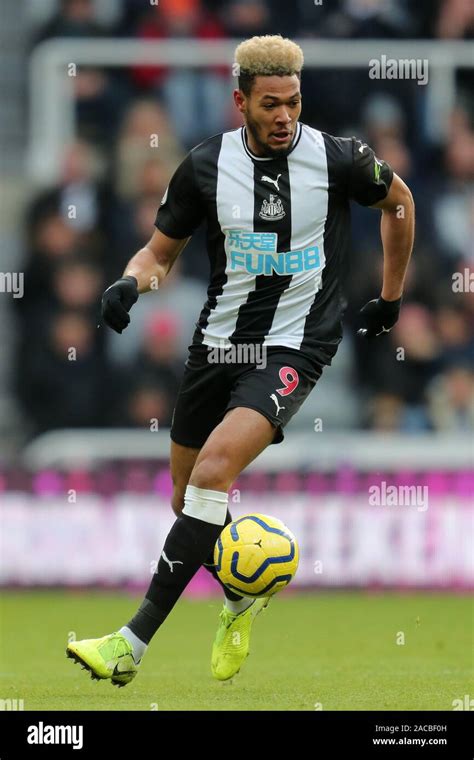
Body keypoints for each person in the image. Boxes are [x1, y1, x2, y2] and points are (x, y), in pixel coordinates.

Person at [67, 34, 414, 686]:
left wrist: (390, 298)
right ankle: (240, 595)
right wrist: (128, 284)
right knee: (184, 497)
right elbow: (158, 254)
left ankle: (129, 644)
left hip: (295, 345)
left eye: (294, 102)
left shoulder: (339, 158)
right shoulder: (203, 167)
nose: (285, 115)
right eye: (271, 104)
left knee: (214, 470)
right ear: (240, 101)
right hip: (218, 344)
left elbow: (400, 202)